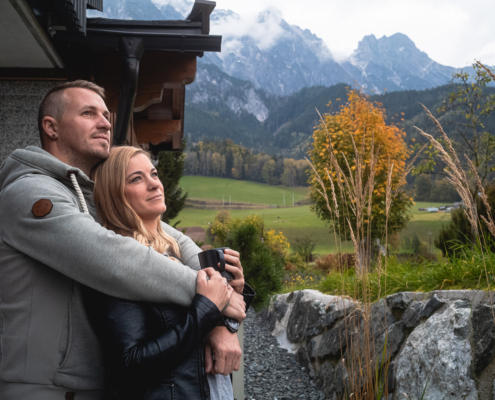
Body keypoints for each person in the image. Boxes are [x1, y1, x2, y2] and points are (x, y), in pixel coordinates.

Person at [0, 80, 245, 400]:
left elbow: (164, 233)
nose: (104, 122)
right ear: (52, 127)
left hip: (88, 386)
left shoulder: (84, 199)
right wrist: (214, 299)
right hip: (43, 388)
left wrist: (216, 302)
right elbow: (115, 259)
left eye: (105, 115)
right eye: (88, 113)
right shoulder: (30, 192)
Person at [85, 146, 240, 399]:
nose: (154, 184)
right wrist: (207, 309)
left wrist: (233, 298)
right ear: (114, 194)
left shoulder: (173, 253)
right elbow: (130, 363)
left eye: (154, 174)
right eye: (137, 179)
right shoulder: (121, 259)